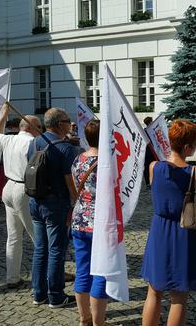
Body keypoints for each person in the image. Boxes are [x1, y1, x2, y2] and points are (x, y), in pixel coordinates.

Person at [141, 119, 196, 326]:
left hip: (160, 231)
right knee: (179, 297)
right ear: (187, 147)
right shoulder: (195, 173)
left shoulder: (154, 167)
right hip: (185, 232)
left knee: (154, 291)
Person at [28, 107, 79, 308]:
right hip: (56, 203)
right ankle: (56, 295)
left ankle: (39, 293)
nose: (71, 124)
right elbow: (70, 181)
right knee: (56, 249)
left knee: (41, 248)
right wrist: (76, 204)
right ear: (60, 124)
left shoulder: (34, 142)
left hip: (36, 200)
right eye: (68, 120)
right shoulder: (65, 148)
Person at [0, 104, 42, 289]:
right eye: (39, 128)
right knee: (39, 238)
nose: (40, 131)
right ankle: (50, 276)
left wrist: (4, 114)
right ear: (31, 127)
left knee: (13, 237)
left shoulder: (9, 139)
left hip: (9, 187)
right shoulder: (32, 143)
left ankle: (12, 277)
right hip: (24, 190)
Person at [70, 119, 111, 326]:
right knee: (100, 273)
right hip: (99, 223)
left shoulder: (78, 160)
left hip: (79, 220)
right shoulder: (107, 162)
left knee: (82, 270)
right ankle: (98, 323)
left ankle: (84, 320)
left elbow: (74, 187)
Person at [143, 116, 154, 187]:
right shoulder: (149, 131)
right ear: (150, 122)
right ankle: (149, 182)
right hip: (149, 151)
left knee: (148, 166)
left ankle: (149, 181)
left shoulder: (145, 131)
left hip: (149, 151)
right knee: (149, 166)